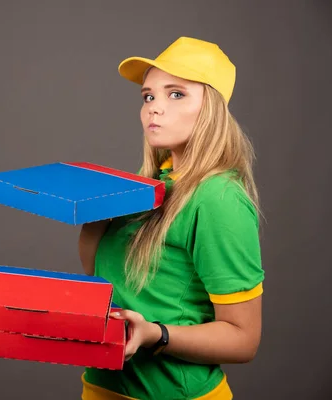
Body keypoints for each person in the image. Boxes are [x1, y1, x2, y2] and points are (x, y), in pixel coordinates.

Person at [78, 36, 264, 400]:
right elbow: (108, 279)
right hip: (103, 388)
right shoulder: (147, 185)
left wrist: (156, 334)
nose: (154, 108)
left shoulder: (218, 199)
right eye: (149, 96)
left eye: (175, 94)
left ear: (211, 108)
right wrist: (94, 214)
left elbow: (243, 339)